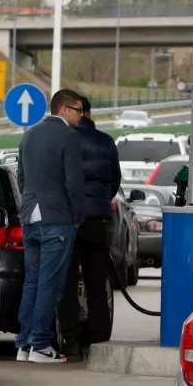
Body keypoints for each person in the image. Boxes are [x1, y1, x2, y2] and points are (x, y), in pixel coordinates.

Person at [15, 88, 85, 363]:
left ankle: (23, 344)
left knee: (31, 281)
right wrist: (77, 216)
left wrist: (28, 204)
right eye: (78, 110)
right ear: (64, 109)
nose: (81, 115)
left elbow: (21, 177)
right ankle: (41, 345)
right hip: (57, 218)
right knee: (49, 283)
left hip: (29, 215)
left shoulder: (28, 134)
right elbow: (74, 183)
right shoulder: (69, 137)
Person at [57, 96, 121, 361]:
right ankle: (99, 340)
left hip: (70, 222)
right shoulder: (106, 141)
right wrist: (100, 202)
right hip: (97, 222)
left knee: (67, 283)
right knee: (97, 284)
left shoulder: (64, 140)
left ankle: (71, 343)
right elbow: (114, 180)